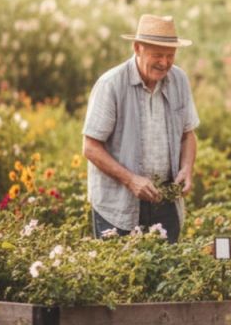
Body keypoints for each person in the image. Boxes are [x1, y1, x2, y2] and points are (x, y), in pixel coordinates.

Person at [83, 14, 198, 243]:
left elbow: (188, 135)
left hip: (166, 201)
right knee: (119, 275)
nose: (164, 63)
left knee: (166, 274)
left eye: (170, 55)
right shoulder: (112, 84)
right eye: (157, 55)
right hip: (118, 205)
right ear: (137, 48)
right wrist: (131, 180)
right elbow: (91, 147)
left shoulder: (179, 80)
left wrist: (186, 168)